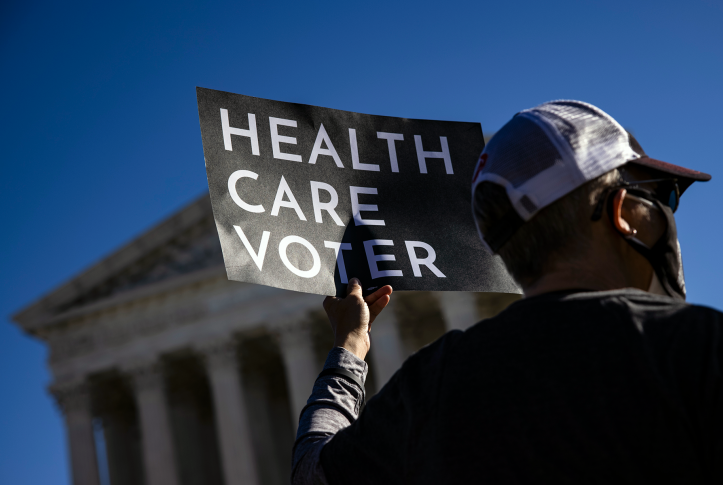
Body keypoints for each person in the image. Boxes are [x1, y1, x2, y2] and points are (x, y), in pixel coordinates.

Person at [291, 100, 721, 484]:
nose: (666, 213)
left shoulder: (433, 382)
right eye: (662, 195)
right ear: (623, 211)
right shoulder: (697, 346)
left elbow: (314, 472)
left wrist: (348, 349)